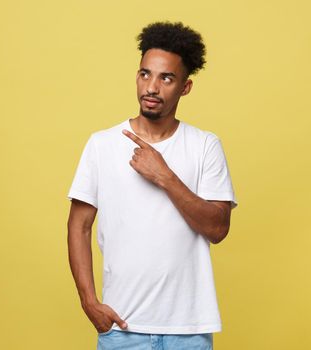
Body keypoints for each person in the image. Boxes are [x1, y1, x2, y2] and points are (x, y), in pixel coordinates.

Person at [66, 21, 238, 350]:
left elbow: (218, 228)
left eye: (166, 78)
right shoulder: (102, 145)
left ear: (185, 87)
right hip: (121, 329)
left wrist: (164, 176)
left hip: (188, 331)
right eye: (145, 74)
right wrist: (89, 302)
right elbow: (79, 225)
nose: (152, 87)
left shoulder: (205, 146)